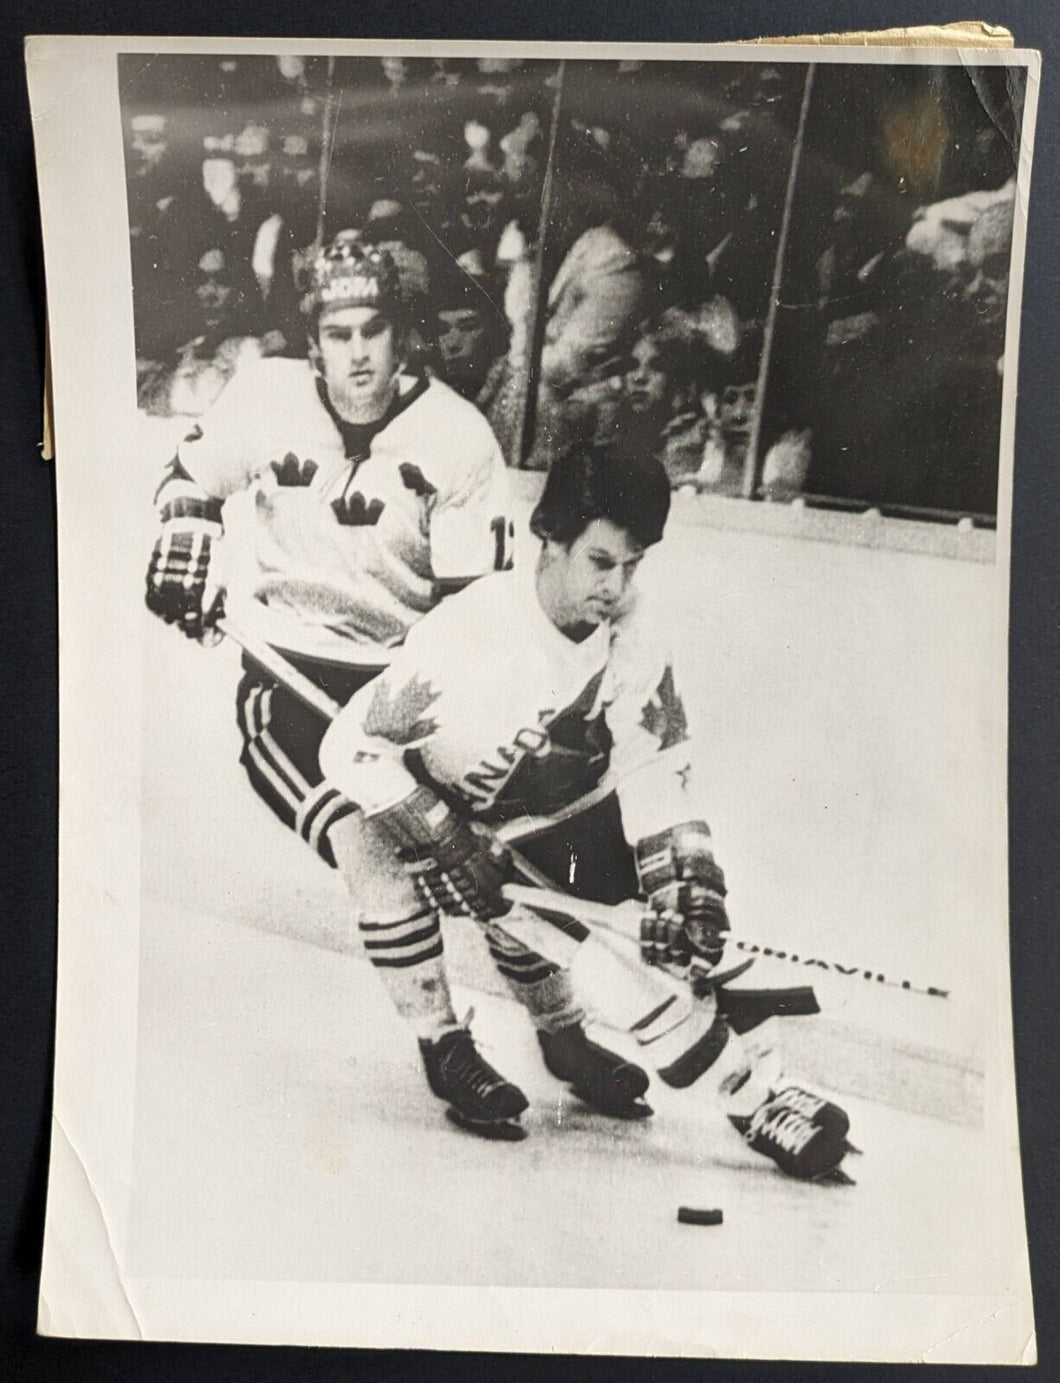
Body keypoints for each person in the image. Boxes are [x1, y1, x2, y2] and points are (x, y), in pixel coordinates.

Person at [318, 444, 856, 1180]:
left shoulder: (636, 628)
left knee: (668, 939)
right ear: (551, 539)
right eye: (601, 562)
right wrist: (435, 833)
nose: (617, 585)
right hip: (431, 811)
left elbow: (652, 761)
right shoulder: (467, 636)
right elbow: (346, 745)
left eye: (633, 565)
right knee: (386, 856)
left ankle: (762, 1083)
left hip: (536, 812)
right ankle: (442, 1041)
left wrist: (682, 868)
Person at [145, 236, 515, 869]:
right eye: (338, 334)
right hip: (288, 678)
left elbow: (475, 614)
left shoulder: (458, 436)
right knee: (376, 859)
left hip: (403, 694)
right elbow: (189, 477)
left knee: (484, 869)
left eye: (375, 331)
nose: (359, 352)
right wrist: (187, 534)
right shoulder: (265, 396)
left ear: (403, 338)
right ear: (313, 344)